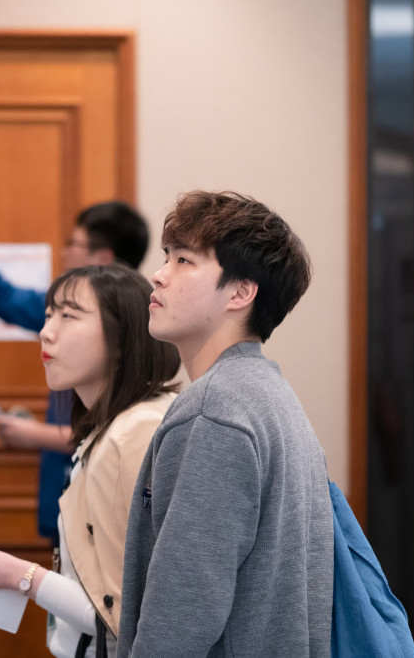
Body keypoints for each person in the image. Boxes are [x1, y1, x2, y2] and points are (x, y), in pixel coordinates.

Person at [117, 190, 334, 657]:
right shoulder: (272, 394)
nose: (159, 274)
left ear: (240, 292)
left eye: (184, 261)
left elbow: (182, 612)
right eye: (167, 257)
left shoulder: (213, 411)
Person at [0, 263, 180, 657]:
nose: (46, 331)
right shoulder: (114, 426)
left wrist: (20, 575)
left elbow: (125, 612)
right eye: (48, 315)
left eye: (69, 316)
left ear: (122, 337)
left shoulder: (135, 432)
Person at [0, 187, 150, 545]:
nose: (46, 333)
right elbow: (3, 295)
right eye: (50, 316)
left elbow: (114, 434)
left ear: (102, 257)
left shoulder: (136, 338)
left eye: (74, 243)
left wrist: (36, 435)